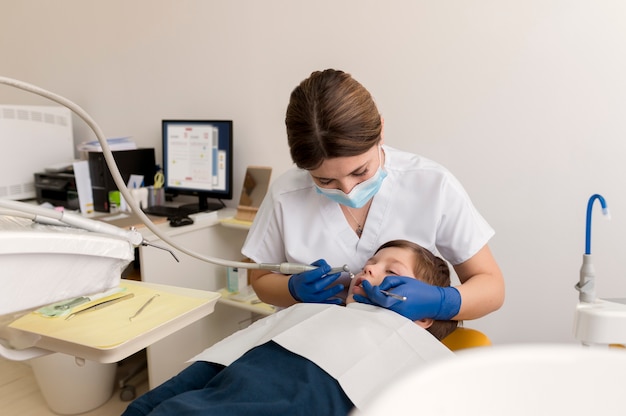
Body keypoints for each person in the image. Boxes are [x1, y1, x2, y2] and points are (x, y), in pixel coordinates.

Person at [243, 68, 504, 322]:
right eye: (325, 180)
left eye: (360, 171)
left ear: (380, 130)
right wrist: (293, 291)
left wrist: (438, 301)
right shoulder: (286, 194)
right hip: (304, 344)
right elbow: (260, 280)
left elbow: (492, 288)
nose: (347, 189)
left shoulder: (433, 184)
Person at [122, 240, 458, 416]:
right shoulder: (309, 313)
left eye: (391, 271)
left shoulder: (417, 357)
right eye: (369, 264)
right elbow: (208, 371)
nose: (368, 271)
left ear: (424, 313)